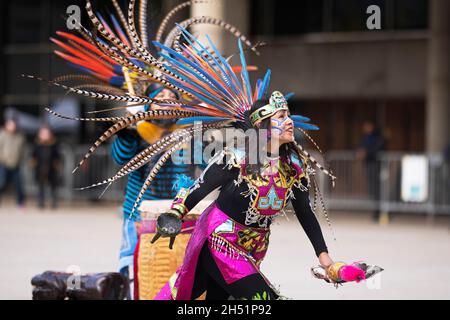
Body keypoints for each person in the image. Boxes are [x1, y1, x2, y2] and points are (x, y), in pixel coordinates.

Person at [152, 92, 334, 300]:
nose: (290, 121)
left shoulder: (294, 168)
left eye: (288, 115)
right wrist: (175, 214)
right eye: (281, 116)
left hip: (253, 250)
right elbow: (199, 188)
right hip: (220, 241)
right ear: (263, 126)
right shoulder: (236, 159)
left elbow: (304, 211)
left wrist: (323, 256)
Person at [111, 83, 196, 298]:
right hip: (139, 214)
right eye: (161, 95)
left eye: (172, 95)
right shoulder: (138, 130)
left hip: (179, 212)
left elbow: (208, 164)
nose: (167, 98)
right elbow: (121, 158)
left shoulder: (190, 133)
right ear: (148, 105)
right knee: (135, 266)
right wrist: (128, 128)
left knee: (176, 268)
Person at [356, 121, 385, 222]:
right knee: (372, 190)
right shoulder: (365, 137)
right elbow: (361, 147)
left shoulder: (377, 137)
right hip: (369, 165)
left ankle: (378, 213)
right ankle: (375, 212)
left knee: (377, 190)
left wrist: (366, 153)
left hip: (376, 165)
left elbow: (377, 149)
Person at [31, 126, 61, 209]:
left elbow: (57, 155)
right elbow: (33, 155)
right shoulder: (37, 143)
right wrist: (33, 163)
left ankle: (54, 202)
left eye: (46, 133)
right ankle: (41, 202)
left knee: (53, 186)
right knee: (40, 186)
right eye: (42, 133)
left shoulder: (54, 143)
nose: (44, 135)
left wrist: (57, 164)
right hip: (40, 167)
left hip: (51, 168)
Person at [0, 118, 26, 207]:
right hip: (3, 164)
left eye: (13, 125)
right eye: (10, 125)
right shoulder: (2, 135)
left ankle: (20, 203)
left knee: (19, 185)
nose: (12, 127)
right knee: (1, 184)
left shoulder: (20, 137)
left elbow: (22, 151)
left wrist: (20, 159)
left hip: (16, 164)